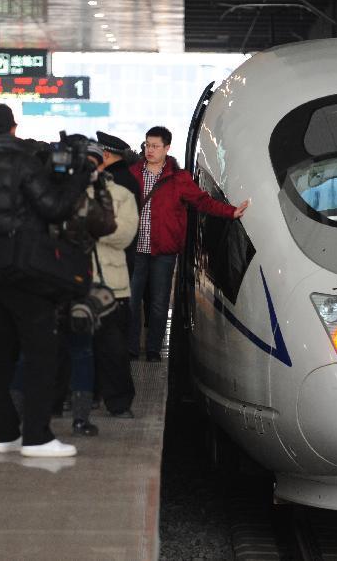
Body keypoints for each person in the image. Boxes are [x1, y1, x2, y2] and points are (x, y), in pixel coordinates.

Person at [0, 104, 107, 458]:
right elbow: (54, 208)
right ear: (13, 129)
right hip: (26, 272)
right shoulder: (23, 162)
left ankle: (4, 434)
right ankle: (36, 436)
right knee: (41, 353)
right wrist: (79, 177)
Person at [128, 126, 248, 361]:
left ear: (166, 148)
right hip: (135, 249)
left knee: (159, 302)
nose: (149, 150)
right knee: (132, 301)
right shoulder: (133, 174)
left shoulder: (178, 179)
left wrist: (231, 212)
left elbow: (203, 202)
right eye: (147, 145)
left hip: (164, 251)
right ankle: (131, 349)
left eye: (154, 146)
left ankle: (153, 349)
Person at [88, 142, 139, 418]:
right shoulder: (64, 194)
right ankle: (81, 396)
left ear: (102, 163)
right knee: (74, 346)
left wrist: (89, 226)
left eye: (93, 162)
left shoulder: (120, 193)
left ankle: (119, 402)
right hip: (72, 281)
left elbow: (125, 234)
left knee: (114, 349)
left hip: (112, 285)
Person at [96, 131, 141, 276]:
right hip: (125, 254)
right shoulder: (129, 178)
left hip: (111, 256)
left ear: (106, 155)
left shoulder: (110, 181)